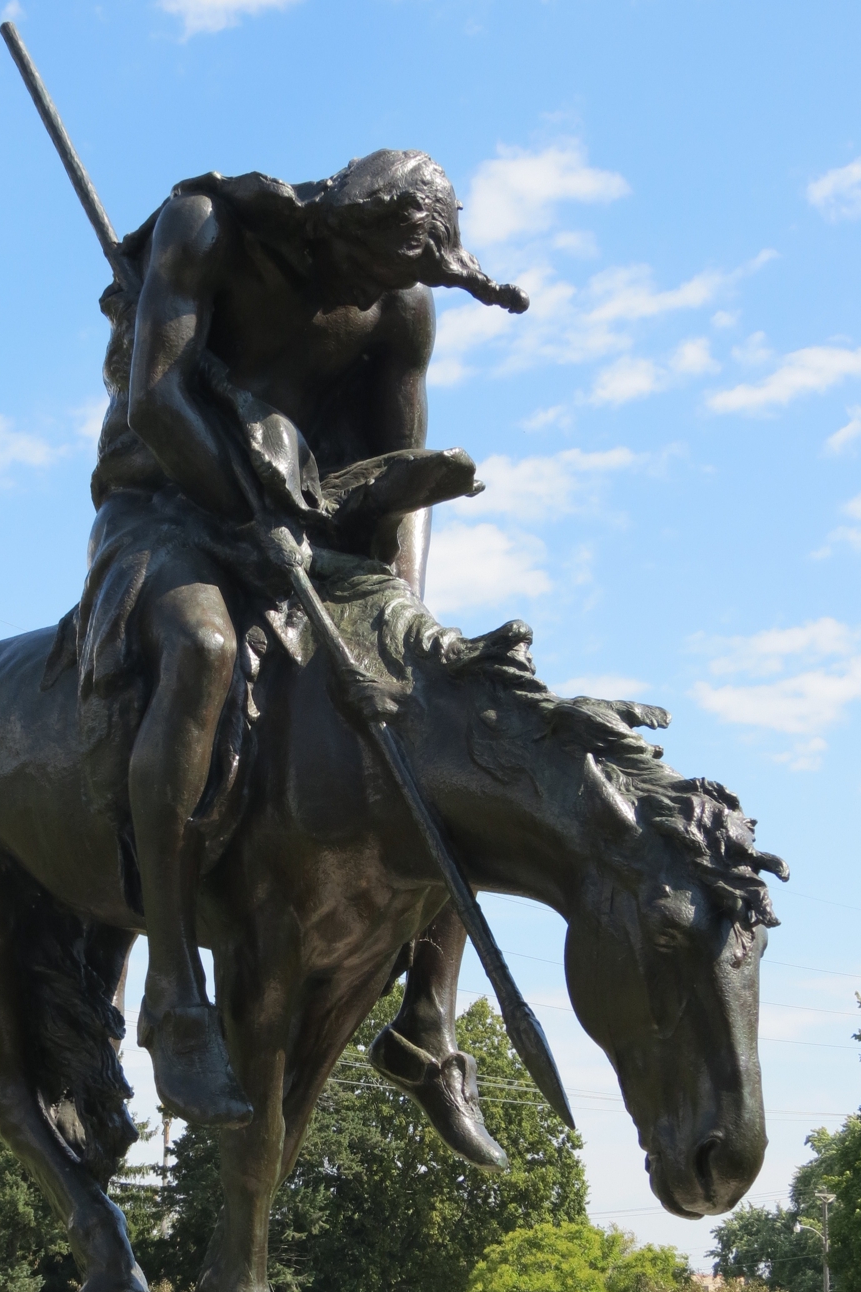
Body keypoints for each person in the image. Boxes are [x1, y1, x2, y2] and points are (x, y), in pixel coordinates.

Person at [75, 148, 525, 1165]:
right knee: (200, 647)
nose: (378, 296)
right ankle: (174, 1000)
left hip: (311, 532)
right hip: (165, 509)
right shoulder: (206, 227)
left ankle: (426, 1024)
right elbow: (154, 400)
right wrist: (247, 511)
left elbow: (398, 485)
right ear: (330, 229)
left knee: (446, 700)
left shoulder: (401, 307)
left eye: (397, 283)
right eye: (366, 274)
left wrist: (401, 619)